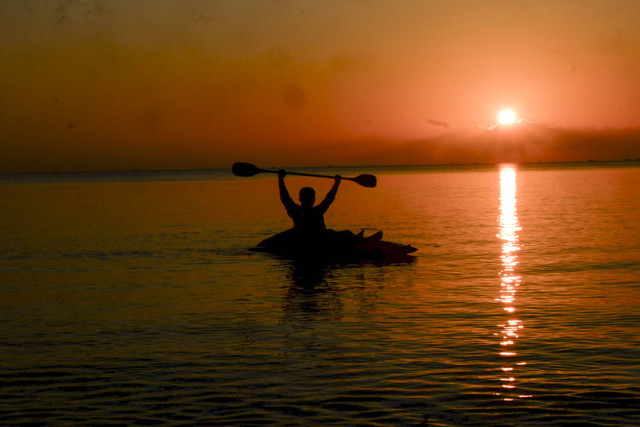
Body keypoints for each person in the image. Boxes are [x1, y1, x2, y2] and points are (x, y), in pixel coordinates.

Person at [278, 169, 341, 238]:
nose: (307, 200)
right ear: (314, 200)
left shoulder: (295, 210)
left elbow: (285, 197)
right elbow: (329, 198)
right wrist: (336, 184)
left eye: (309, 198)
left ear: (300, 199)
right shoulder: (317, 211)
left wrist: (281, 179)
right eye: (306, 198)